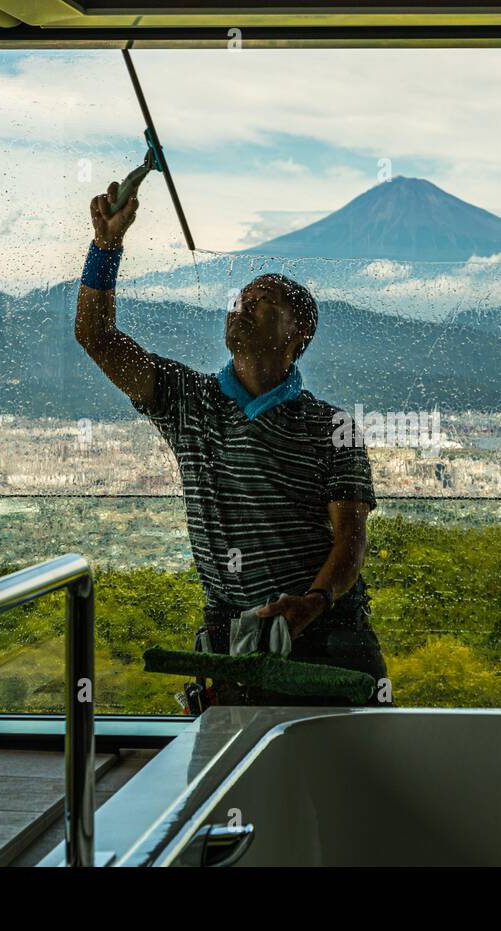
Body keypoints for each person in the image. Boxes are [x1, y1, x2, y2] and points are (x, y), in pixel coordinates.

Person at [74, 181, 388, 707]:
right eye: (240, 301)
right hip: (232, 641)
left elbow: (350, 540)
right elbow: (97, 337)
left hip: (327, 641)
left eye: (262, 305)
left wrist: (312, 602)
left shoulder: (332, 426)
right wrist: (105, 247)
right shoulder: (187, 400)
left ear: (296, 339)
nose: (242, 308)